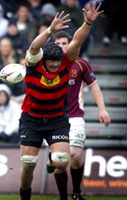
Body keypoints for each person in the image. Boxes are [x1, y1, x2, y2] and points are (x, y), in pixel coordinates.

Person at [18, 2, 103, 200]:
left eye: (58, 64)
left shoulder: (66, 64)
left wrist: (88, 24)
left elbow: (76, 42)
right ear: (44, 62)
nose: (56, 67)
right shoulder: (33, 66)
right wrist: (49, 30)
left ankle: (66, 196)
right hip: (31, 120)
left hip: (57, 120)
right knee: (29, 163)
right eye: (52, 65)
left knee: (61, 159)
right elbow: (33, 46)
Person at [50, 31, 111, 200]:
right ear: (52, 45)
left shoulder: (81, 64)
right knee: (61, 159)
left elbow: (94, 86)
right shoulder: (47, 64)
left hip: (75, 117)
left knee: (75, 156)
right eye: (58, 43)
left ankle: (76, 193)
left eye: (64, 43)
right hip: (53, 119)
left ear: (71, 44)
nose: (61, 47)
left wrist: (102, 109)